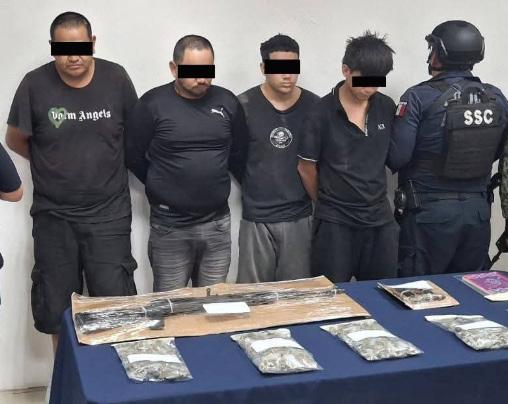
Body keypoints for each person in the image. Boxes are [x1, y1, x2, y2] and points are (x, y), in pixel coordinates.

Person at [6, 11, 138, 349]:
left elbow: (134, 135)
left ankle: (111, 378)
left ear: (92, 43)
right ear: (52, 47)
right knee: (58, 312)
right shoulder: (34, 84)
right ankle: (65, 376)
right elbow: (15, 139)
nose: (74, 56)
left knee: (115, 309)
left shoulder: (116, 78)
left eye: (80, 47)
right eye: (64, 49)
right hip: (54, 217)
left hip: (109, 216)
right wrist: (52, 162)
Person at [125, 35, 247, 292]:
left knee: (214, 304)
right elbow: (133, 155)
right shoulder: (152, 104)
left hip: (217, 224)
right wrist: (162, 183)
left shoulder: (227, 102)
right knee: (172, 307)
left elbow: (238, 153)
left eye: (207, 70)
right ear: (174, 68)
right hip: (170, 227)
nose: (202, 79)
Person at [388, 20, 508, 277]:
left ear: (440, 53)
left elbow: (398, 157)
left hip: (429, 216)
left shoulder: (418, 97)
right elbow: (498, 152)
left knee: (420, 292)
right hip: (477, 215)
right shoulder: (496, 97)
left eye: (432, 48)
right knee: (470, 289)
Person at [298, 31, 398, 283]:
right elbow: (306, 167)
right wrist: (328, 202)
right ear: (346, 70)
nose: (370, 88)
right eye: (364, 80)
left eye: (377, 81)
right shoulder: (320, 111)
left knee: (382, 292)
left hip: (379, 220)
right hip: (335, 222)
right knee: (330, 295)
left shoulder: (386, 106)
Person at [235, 34, 319, 283]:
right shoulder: (243, 105)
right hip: (257, 216)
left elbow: (321, 159)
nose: (287, 75)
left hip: (299, 215)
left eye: (293, 67)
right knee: (253, 296)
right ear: (263, 68)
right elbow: (233, 158)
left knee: (298, 294)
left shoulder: (315, 106)